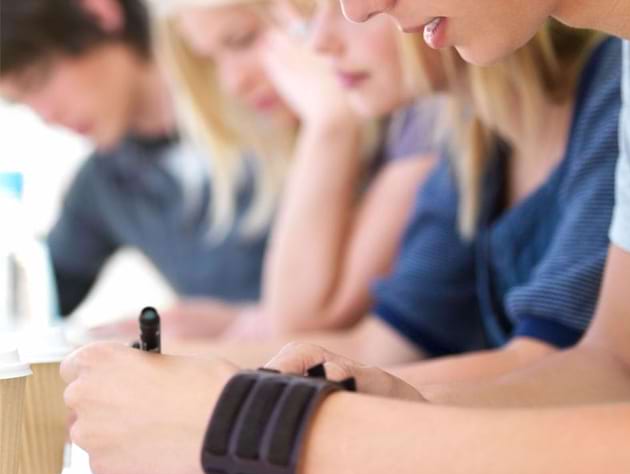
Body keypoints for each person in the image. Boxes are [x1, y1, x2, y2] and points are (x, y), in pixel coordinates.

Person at [60, 1, 630, 474]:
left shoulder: (603, 86)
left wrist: (264, 425)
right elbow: (617, 367)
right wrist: (392, 404)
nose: (359, 12)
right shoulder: (619, 73)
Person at [118, 0, 439, 339]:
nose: (233, 83)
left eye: (242, 40)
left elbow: (304, 321)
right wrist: (239, 321)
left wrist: (330, 122)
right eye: (212, 59)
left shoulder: (419, 121)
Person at [0, 0, 271, 331]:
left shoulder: (260, 93)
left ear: (98, 13)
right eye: (21, 101)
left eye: (37, 80)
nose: (45, 114)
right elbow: (41, 289)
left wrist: (240, 326)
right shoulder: (104, 180)